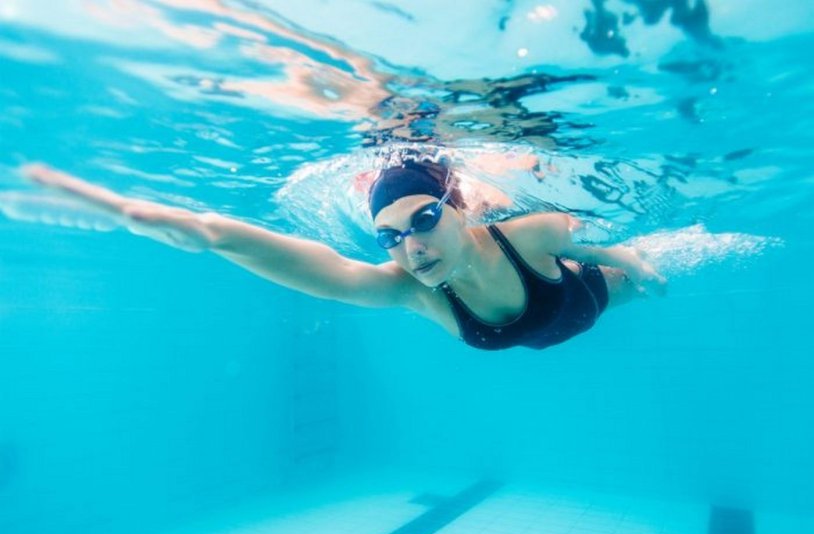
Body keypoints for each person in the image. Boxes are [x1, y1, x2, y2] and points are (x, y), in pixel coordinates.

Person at [22, 156, 665, 351]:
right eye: (389, 235)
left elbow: (606, 247)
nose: (410, 247)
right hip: (548, 327)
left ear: (461, 206)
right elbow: (313, 268)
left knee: (647, 284)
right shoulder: (412, 288)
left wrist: (637, 267)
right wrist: (196, 231)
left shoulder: (529, 234)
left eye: (424, 219)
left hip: (591, 297)